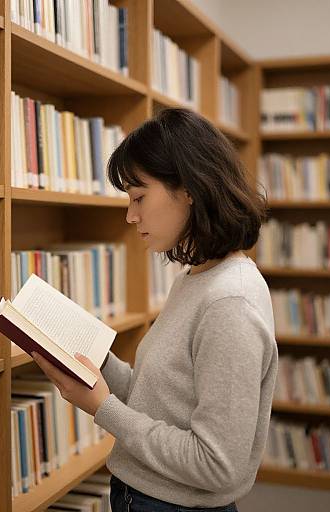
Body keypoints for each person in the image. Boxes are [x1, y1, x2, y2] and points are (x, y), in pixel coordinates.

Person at [31, 108, 278, 512]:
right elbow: (162, 401)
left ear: (189, 189)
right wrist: (94, 359)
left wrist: (101, 407)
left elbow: (218, 465)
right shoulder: (195, 279)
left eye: (139, 197)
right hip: (144, 496)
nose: (131, 215)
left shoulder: (229, 301)